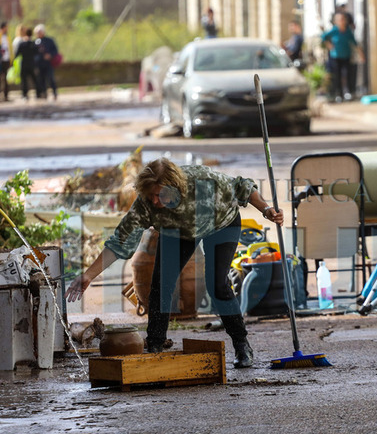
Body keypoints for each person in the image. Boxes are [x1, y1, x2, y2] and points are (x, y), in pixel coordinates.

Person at [65, 158, 284, 369]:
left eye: (159, 195)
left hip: (221, 223)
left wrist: (266, 210)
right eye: (150, 195)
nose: (154, 201)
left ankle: (241, 344)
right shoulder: (147, 204)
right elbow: (120, 241)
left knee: (216, 284)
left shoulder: (204, 182)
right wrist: (88, 275)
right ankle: (156, 345)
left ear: (176, 187)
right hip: (177, 231)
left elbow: (243, 186)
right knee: (161, 284)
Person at [321, 11, 359, 101]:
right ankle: (339, 94)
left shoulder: (348, 31)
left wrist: (360, 54)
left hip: (346, 55)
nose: (341, 21)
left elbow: (353, 42)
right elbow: (323, 37)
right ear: (336, 21)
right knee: (336, 76)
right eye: (339, 19)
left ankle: (349, 92)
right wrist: (329, 45)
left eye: (343, 19)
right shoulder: (334, 30)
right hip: (335, 57)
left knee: (347, 74)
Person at [34, 24, 59, 100]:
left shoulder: (49, 41)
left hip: (48, 63)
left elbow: (55, 50)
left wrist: (50, 55)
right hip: (40, 63)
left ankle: (54, 92)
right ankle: (44, 93)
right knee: (41, 79)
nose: (38, 33)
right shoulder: (35, 42)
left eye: (39, 32)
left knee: (50, 78)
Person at [14, 26, 38, 101]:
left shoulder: (22, 44)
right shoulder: (33, 44)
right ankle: (39, 92)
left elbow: (17, 54)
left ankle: (25, 94)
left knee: (24, 81)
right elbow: (37, 53)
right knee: (35, 79)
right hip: (32, 64)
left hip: (24, 64)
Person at [0, 21, 11, 101]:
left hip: (6, 59)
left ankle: (6, 94)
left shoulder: (7, 37)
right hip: (0, 60)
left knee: (6, 78)